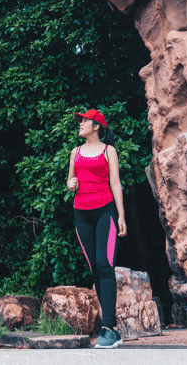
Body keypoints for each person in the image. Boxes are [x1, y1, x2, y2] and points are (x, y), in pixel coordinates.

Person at [66, 108, 127, 349]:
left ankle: (108, 329)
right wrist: (71, 184)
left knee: (105, 265)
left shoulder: (108, 151)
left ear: (96, 126)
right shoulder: (75, 152)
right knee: (95, 269)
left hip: (105, 212)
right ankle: (111, 329)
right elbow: (71, 181)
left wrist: (121, 216)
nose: (80, 124)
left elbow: (115, 183)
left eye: (84, 121)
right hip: (81, 213)